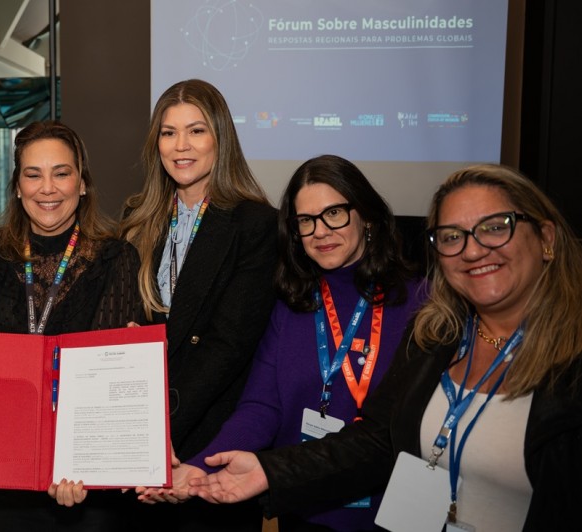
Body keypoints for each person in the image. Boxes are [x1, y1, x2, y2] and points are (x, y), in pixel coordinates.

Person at [190, 164, 582, 531]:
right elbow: (378, 439)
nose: (474, 250)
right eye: (452, 237)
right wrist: (255, 470)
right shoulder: (441, 336)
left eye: (495, 228)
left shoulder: (425, 311)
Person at [139, 155, 424, 531]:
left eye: (334, 213)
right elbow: (261, 406)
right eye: (305, 221)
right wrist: (200, 466)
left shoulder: (422, 305)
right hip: (300, 505)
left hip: (391, 513)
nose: (320, 231)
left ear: (367, 216)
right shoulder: (293, 305)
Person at [0, 120, 143, 531]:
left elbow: (105, 380)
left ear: (83, 183)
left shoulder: (116, 257)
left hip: (85, 477)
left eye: (62, 173)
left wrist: (75, 463)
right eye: (33, 174)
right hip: (5, 470)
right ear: (17, 186)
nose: (47, 188)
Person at [116, 78, 279, 531]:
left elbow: (229, 346)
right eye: (168, 133)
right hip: (140, 437)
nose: (180, 145)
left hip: (210, 440)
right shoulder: (138, 219)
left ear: (220, 139)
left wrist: (161, 432)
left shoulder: (255, 224)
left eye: (196, 130)